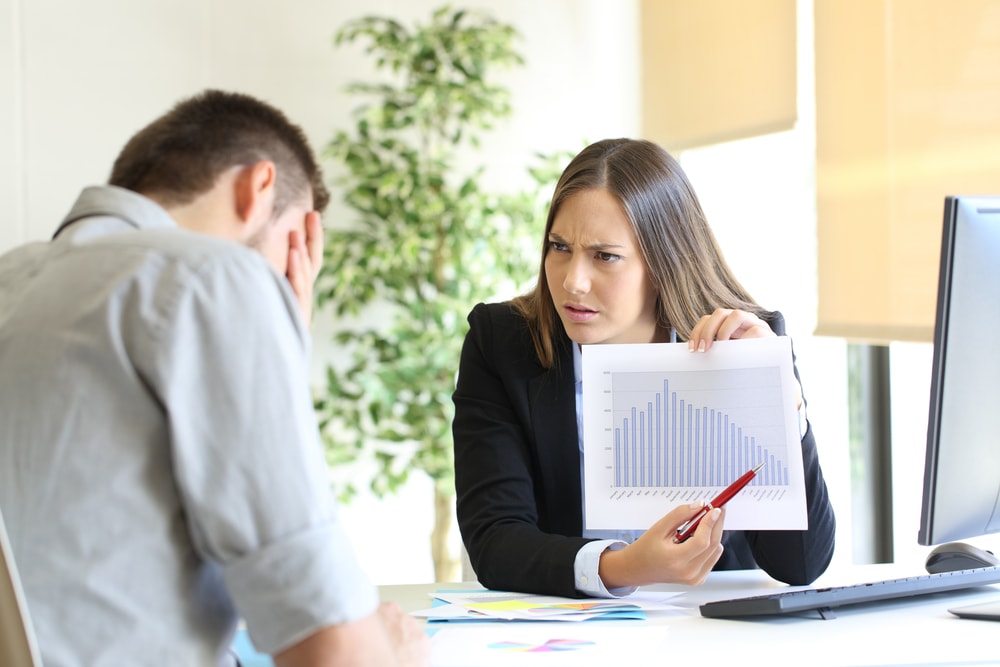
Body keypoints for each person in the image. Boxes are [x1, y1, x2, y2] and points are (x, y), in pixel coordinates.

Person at [0, 90, 428, 667]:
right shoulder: (211, 278)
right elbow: (334, 653)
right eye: (297, 250)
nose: (294, 280)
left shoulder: (13, 279)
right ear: (257, 189)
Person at [452, 138, 836, 598]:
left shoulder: (744, 342)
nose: (573, 281)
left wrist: (779, 406)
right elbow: (496, 542)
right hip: (574, 635)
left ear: (663, 261)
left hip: (711, 631)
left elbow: (801, 564)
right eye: (559, 247)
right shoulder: (503, 343)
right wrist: (627, 567)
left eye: (604, 256)